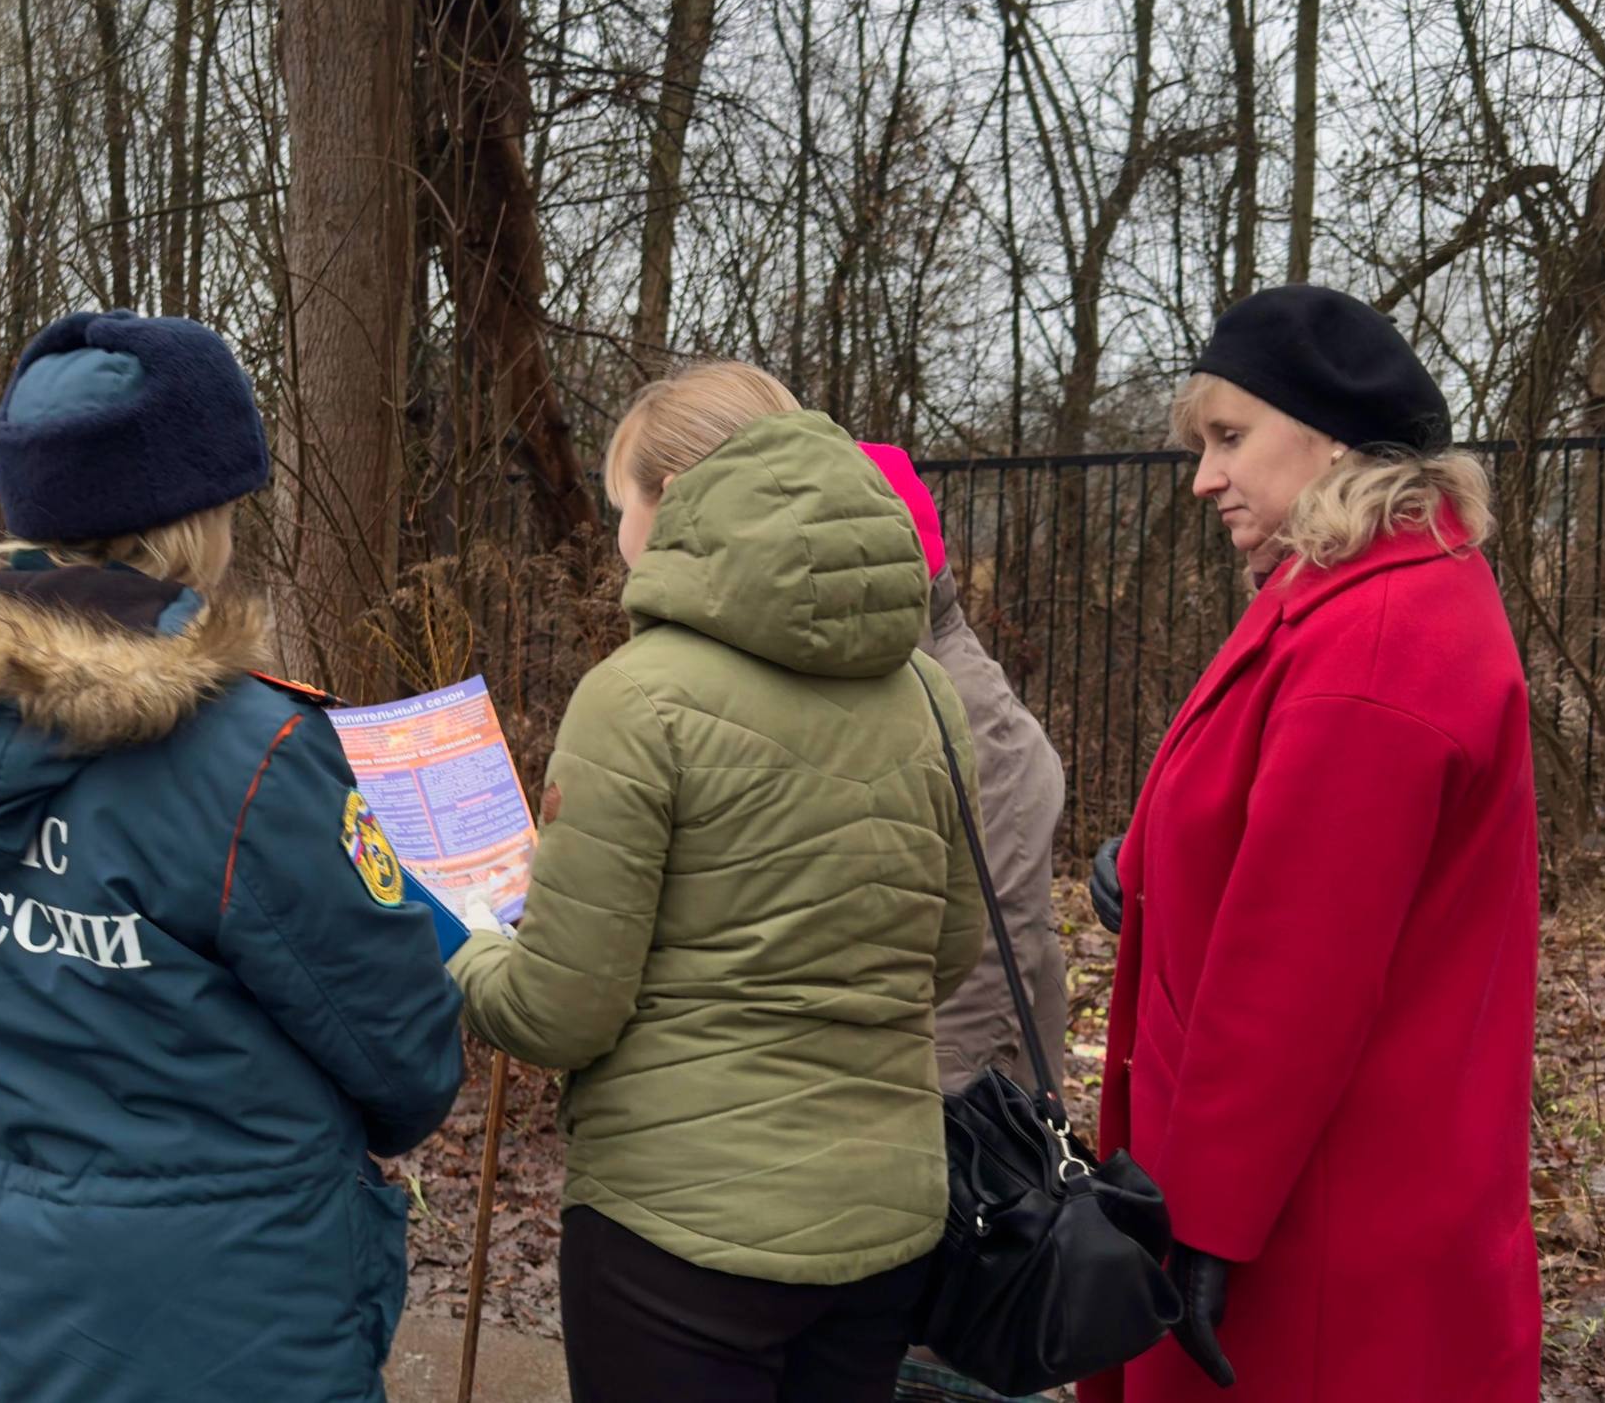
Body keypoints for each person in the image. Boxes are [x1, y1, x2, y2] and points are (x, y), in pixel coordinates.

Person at [0, 309, 465, 1403]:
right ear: (196, 511)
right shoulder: (250, 747)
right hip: (250, 1304)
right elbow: (405, 1063)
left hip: (42, 1278)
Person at [449, 361, 988, 1403]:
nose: (617, 535)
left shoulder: (637, 700)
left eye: (622, 506)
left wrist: (465, 940)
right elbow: (949, 950)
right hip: (882, 1222)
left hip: (677, 1233)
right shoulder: (925, 687)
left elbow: (559, 1014)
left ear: (674, 502)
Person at [1086, 285, 1541, 1403]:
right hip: (1318, 1189)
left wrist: (1205, 1223)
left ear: (1330, 434)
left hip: (1309, 1229)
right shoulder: (1344, 599)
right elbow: (1268, 834)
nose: (1204, 477)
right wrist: (1144, 870)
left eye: (1228, 438)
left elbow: (1299, 973)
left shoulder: (1374, 641)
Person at [857, 444, 1070, 1403]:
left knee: (949, 1361)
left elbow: (977, 973)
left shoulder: (951, 716)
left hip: (961, 1128)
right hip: (952, 1103)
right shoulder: (932, 684)